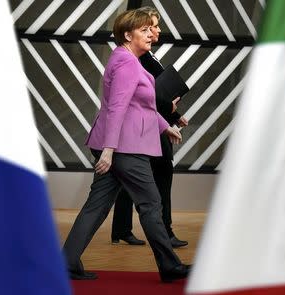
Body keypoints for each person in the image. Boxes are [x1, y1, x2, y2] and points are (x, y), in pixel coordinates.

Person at [62, 9, 190, 283]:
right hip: (125, 148)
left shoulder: (128, 60)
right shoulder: (127, 63)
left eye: (151, 30)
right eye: (145, 30)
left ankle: (68, 262)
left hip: (122, 146)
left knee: (96, 205)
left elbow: (139, 105)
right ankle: (170, 266)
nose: (152, 35)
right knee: (151, 203)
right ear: (128, 34)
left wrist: (164, 126)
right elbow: (117, 108)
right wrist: (109, 149)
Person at [111, 6, 189, 248]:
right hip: (147, 126)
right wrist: (170, 111)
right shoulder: (135, 57)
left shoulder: (146, 55)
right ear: (130, 33)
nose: (155, 31)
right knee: (157, 179)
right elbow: (144, 97)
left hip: (156, 122)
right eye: (150, 26)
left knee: (129, 181)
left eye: (153, 26)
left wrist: (174, 115)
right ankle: (163, 232)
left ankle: (124, 229)